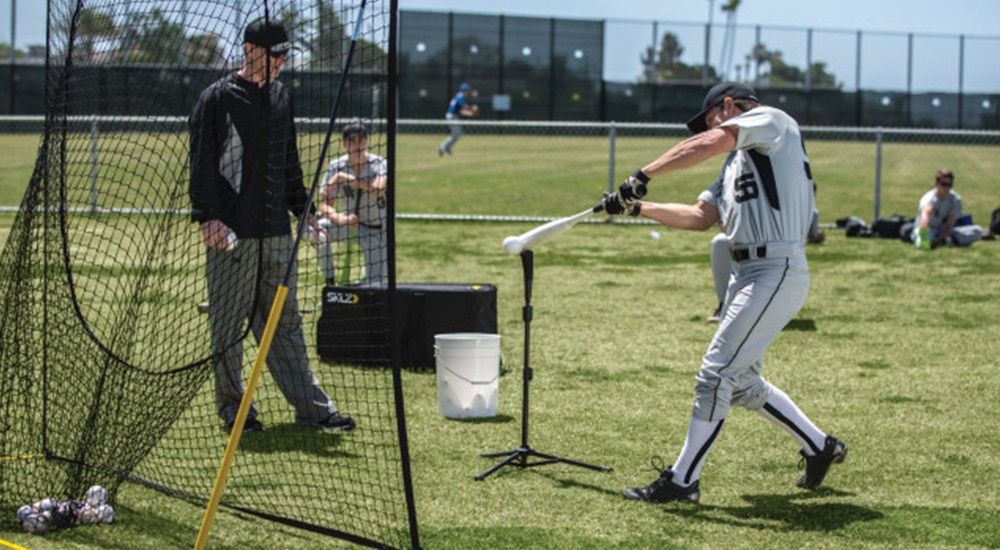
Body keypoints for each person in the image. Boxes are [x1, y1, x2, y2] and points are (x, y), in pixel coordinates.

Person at [602, 82, 846, 503]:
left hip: (777, 268)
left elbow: (714, 139)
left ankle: (682, 481)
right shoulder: (735, 165)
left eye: (711, 117)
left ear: (730, 106)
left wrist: (643, 176)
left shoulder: (771, 121)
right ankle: (820, 446)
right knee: (741, 382)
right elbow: (699, 218)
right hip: (747, 271)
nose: (708, 128)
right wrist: (637, 207)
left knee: (715, 374)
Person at [188, 16, 355, 435]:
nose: (281, 62)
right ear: (250, 51)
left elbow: (289, 162)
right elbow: (202, 165)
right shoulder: (218, 98)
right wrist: (208, 218)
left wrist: (306, 212)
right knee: (228, 327)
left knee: (286, 323)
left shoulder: (282, 96)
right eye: (275, 54)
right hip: (231, 235)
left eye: (285, 54)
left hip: (278, 233)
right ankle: (235, 411)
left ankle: (313, 410)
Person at [708, 195, 823, 323]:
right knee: (720, 241)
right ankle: (724, 304)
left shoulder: (807, 210)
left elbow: (808, 237)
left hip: (778, 258)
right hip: (748, 254)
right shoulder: (742, 196)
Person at [315, 120, 388, 286]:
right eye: (352, 140)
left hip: (377, 231)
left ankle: (365, 277)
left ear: (367, 141)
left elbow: (377, 189)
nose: (357, 144)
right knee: (320, 228)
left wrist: (347, 179)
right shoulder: (336, 166)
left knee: (376, 285)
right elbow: (325, 205)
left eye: (361, 139)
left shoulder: (380, 164)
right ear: (344, 144)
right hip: (350, 225)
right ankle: (330, 282)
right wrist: (340, 219)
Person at [910, 168, 983, 249]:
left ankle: (946, 240)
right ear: (936, 184)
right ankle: (947, 241)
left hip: (945, 230)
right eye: (944, 184)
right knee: (921, 244)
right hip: (928, 229)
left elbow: (950, 223)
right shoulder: (929, 199)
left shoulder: (955, 199)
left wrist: (941, 237)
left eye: (950, 185)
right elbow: (924, 219)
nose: (947, 188)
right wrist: (924, 238)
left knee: (978, 231)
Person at [437, 83, 479, 156]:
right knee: (456, 134)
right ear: (464, 91)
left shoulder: (458, 96)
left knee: (456, 134)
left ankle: (446, 147)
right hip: (452, 116)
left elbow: (460, 111)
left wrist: (470, 114)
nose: (468, 92)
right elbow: (464, 106)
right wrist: (472, 109)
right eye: (467, 91)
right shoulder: (460, 96)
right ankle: (442, 148)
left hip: (452, 116)